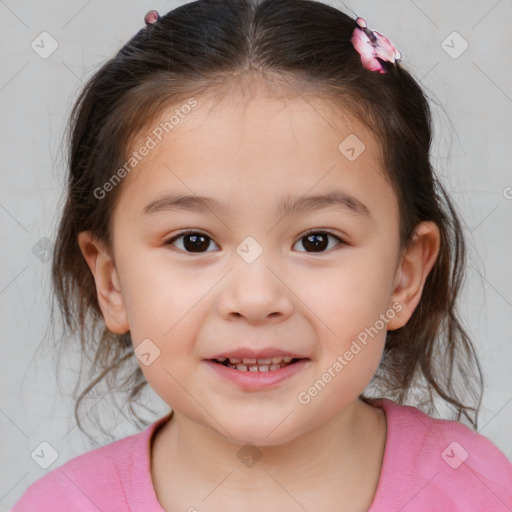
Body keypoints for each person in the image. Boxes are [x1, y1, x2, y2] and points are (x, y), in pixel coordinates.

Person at [11, 0, 512, 510]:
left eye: (317, 240)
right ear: (111, 281)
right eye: (194, 241)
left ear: (404, 277)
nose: (255, 299)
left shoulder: (481, 490)